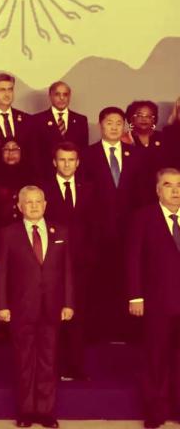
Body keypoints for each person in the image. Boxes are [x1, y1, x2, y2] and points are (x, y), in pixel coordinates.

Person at [0, 186, 74, 429]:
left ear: (45, 204)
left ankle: (46, 412)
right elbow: (1, 273)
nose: (34, 206)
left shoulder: (60, 231)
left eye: (38, 201)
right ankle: (26, 412)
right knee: (24, 360)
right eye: (28, 202)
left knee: (49, 360)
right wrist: (1, 305)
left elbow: (67, 271)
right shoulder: (8, 233)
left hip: (52, 307)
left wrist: (68, 303)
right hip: (21, 308)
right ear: (19, 206)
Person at [81, 106, 149, 340]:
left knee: (128, 278)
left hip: (129, 231)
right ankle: (100, 331)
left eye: (118, 123)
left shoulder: (137, 155)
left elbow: (142, 196)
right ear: (100, 125)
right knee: (99, 281)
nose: (113, 127)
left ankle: (127, 331)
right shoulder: (87, 155)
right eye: (109, 122)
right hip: (97, 233)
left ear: (124, 126)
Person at [127, 167, 180, 429]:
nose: (176, 190)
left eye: (179, 185)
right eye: (169, 185)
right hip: (158, 301)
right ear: (159, 190)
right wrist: (135, 296)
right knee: (156, 358)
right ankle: (156, 411)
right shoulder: (143, 217)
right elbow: (133, 259)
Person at [40, 142, 93, 381]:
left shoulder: (90, 188)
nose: (67, 164)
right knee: (51, 316)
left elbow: (96, 226)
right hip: (49, 264)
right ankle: (53, 368)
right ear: (54, 162)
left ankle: (77, 367)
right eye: (62, 160)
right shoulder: (42, 189)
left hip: (81, 264)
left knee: (78, 316)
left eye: (71, 160)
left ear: (78, 162)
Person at [32, 82, 89, 175]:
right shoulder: (37, 120)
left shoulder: (81, 120)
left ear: (69, 96)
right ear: (50, 96)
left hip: (74, 176)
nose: (62, 98)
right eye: (57, 94)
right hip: (47, 175)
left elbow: (83, 151)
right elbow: (35, 153)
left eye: (65, 94)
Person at [0, 139, 34, 227]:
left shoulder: (31, 176)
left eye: (15, 149)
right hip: (0, 227)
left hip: (26, 228)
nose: (10, 154)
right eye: (6, 149)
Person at [124, 100, 170, 173]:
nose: (144, 119)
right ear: (131, 118)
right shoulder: (125, 139)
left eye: (148, 116)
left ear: (154, 119)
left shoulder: (164, 137)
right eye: (139, 115)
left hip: (161, 181)